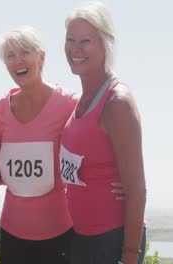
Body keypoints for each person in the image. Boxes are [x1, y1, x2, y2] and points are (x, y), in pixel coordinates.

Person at [61, 2, 146, 263]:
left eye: (85, 40)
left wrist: (129, 257)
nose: (75, 49)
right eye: (70, 39)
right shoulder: (81, 100)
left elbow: (137, 189)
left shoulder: (116, 101)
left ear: (105, 43)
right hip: (82, 237)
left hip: (111, 241)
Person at [0, 26, 77, 264]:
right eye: (10, 55)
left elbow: (95, 151)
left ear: (41, 57)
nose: (18, 60)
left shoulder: (69, 104)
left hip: (60, 233)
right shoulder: (0, 109)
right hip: (12, 235)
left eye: (25, 52)